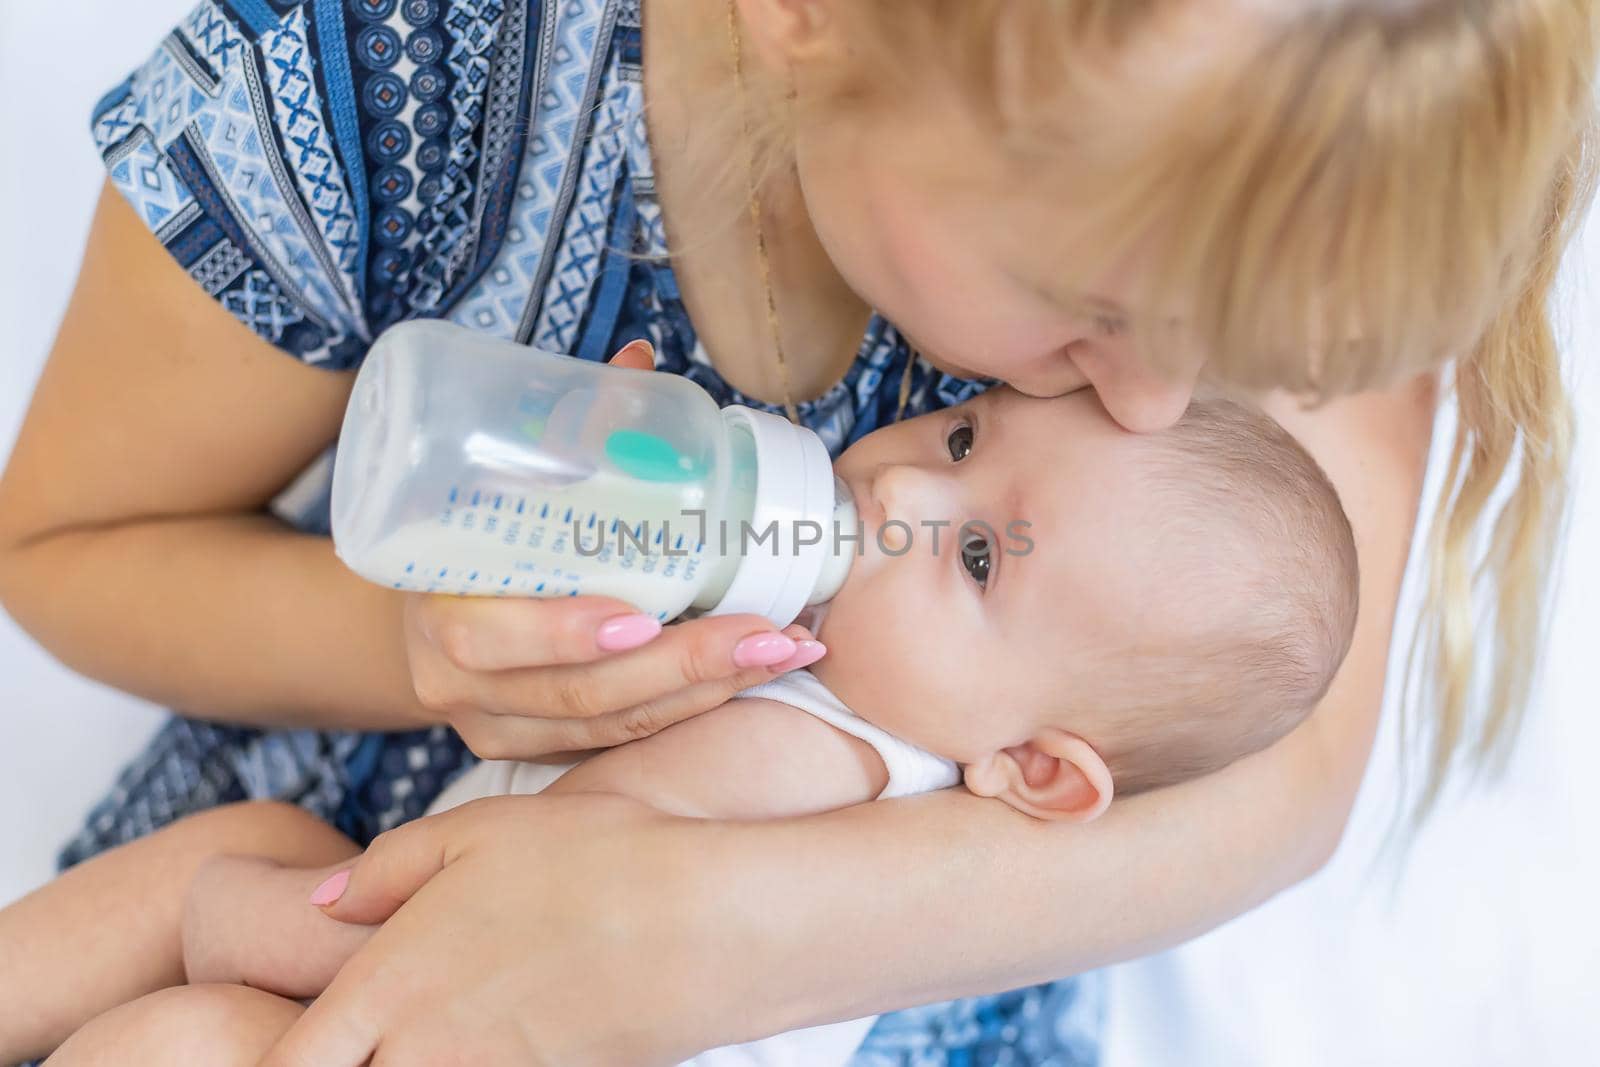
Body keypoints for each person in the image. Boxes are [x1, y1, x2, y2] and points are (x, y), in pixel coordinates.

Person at [0, 0, 1591, 1062]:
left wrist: (702, 933)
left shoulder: (1325, 98)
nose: (1164, 407)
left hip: (832, 987)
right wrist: (417, 648)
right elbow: (60, 543)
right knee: (202, 956)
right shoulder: (390, 76)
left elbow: (1288, 756)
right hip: (353, 870)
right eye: (1098, 305)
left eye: (1245, 351)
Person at [5, 386, 1359, 1066]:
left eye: (983, 561)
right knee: (254, 857)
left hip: (478, 1008)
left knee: (201, 1014)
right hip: (443, 986)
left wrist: (230, 919)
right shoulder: (835, 686)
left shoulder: (821, 757)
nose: (895, 487)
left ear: (1035, 769)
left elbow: (507, 915)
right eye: (960, 442)